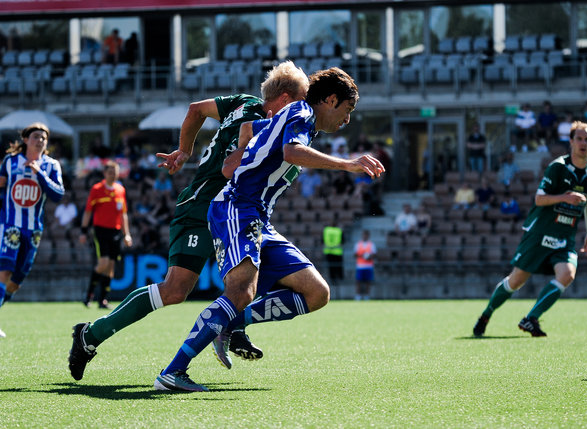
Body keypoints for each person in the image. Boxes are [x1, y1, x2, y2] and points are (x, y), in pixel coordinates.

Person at [68, 61, 310, 381]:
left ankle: (234, 326)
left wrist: (184, 150)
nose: (301, 110)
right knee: (174, 290)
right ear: (284, 98)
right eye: (300, 101)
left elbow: (196, 109)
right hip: (203, 207)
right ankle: (90, 335)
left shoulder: (242, 101)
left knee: (257, 279)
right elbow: (235, 165)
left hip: (233, 212)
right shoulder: (256, 119)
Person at [153, 67, 384, 392]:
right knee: (241, 292)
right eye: (347, 111)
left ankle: (231, 324)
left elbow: (248, 127)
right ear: (331, 100)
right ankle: (173, 372)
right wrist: (347, 164)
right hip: (237, 207)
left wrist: (240, 154)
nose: (347, 120)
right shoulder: (302, 114)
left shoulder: (294, 117)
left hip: (257, 217)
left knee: (317, 293)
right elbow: (291, 152)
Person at [473, 121, 587, 338]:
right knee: (516, 281)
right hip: (540, 232)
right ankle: (487, 313)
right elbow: (539, 199)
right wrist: (565, 197)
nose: (583, 143)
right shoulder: (558, 167)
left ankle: (531, 318)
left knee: (568, 274)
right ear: (570, 142)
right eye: (579, 138)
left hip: (565, 236)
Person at [0, 123, 65, 338]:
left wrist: (40, 175)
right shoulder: (11, 161)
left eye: (44, 138)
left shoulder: (51, 165)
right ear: (26, 139)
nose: (40, 140)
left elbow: (58, 194)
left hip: (34, 230)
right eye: (36, 136)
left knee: (15, 282)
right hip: (11, 225)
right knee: (5, 271)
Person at [79, 161, 133, 309]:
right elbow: (88, 211)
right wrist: (83, 230)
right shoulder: (97, 189)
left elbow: (123, 214)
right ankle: (89, 295)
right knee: (103, 263)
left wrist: (126, 234)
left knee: (110, 266)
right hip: (100, 230)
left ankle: (102, 300)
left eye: (115, 172)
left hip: (115, 232)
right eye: (110, 172)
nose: (113, 175)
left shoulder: (120, 190)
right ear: (105, 173)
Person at [354, 230, 376, 301]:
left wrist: (369, 257)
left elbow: (374, 254)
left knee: (368, 282)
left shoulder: (371, 244)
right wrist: (362, 255)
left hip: (368, 266)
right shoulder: (358, 244)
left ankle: (367, 296)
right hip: (360, 266)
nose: (365, 236)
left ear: (368, 236)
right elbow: (355, 254)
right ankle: (358, 296)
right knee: (358, 282)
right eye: (364, 235)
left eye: (366, 235)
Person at [322, 220, 344, 285]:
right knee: (338, 267)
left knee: (331, 267)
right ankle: (339, 279)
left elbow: (323, 241)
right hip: (337, 251)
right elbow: (342, 242)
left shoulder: (326, 230)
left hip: (329, 251)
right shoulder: (339, 230)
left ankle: (333, 280)